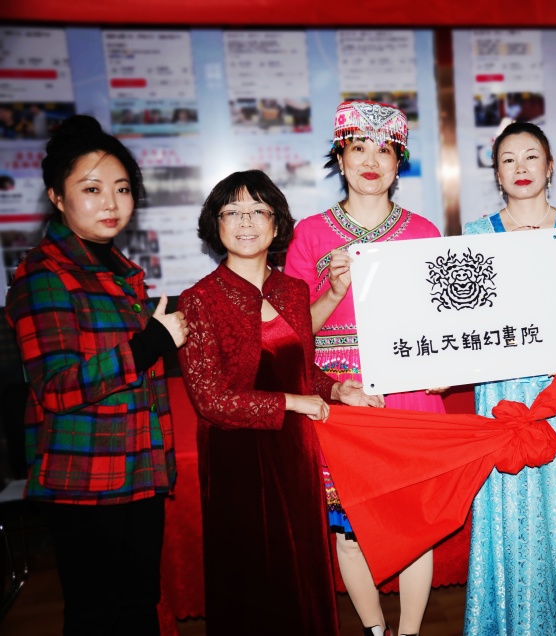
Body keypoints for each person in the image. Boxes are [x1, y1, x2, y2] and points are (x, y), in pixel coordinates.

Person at [176, 170, 383, 635]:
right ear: (216, 224)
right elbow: (211, 401)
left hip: (295, 454)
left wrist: (338, 390)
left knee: (301, 572)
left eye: (258, 211)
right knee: (252, 576)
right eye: (232, 212)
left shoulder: (293, 291)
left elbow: (303, 369)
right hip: (236, 462)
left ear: (276, 223)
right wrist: (293, 402)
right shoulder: (199, 300)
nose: (246, 222)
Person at [5, 114, 188, 634]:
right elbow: (57, 386)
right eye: (91, 189)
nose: (111, 202)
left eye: (122, 188)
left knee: (139, 604)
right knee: (96, 615)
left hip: (140, 470)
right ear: (57, 197)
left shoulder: (119, 272)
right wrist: (149, 344)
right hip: (84, 478)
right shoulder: (43, 275)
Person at [284, 100, 444, 636]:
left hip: (410, 391)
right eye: (358, 148)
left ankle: (410, 632)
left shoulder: (424, 232)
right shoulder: (310, 235)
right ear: (340, 158)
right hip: (341, 393)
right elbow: (292, 332)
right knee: (348, 528)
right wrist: (333, 291)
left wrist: (445, 368)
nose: (371, 161)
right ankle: (375, 631)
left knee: (415, 524)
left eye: (384, 151)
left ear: (399, 164)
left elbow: (445, 320)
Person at [461, 120, 556, 635]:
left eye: (531, 157)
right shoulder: (477, 235)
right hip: (500, 386)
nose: (520, 168)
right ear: (497, 174)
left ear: (550, 167)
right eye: (508, 160)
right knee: (501, 510)